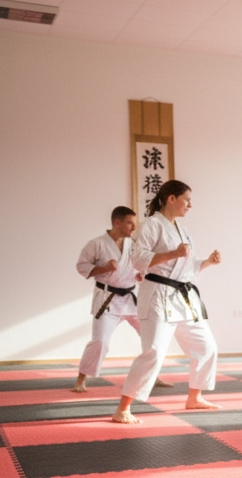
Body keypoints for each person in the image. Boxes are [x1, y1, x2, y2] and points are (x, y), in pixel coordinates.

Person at [112, 181, 223, 424]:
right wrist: (173, 253)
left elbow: (188, 267)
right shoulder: (151, 225)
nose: (190, 205)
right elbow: (138, 258)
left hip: (182, 297)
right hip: (157, 296)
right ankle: (123, 408)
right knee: (153, 352)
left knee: (206, 347)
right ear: (171, 198)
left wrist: (207, 262)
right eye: (186, 199)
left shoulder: (183, 230)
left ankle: (194, 397)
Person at [72, 206, 170, 393]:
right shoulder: (96, 244)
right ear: (117, 222)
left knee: (151, 337)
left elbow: (140, 264)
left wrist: (139, 274)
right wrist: (104, 268)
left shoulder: (132, 244)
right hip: (107, 300)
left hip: (131, 299)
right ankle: (80, 380)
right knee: (100, 341)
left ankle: (153, 376)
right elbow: (82, 266)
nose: (134, 228)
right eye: (130, 223)